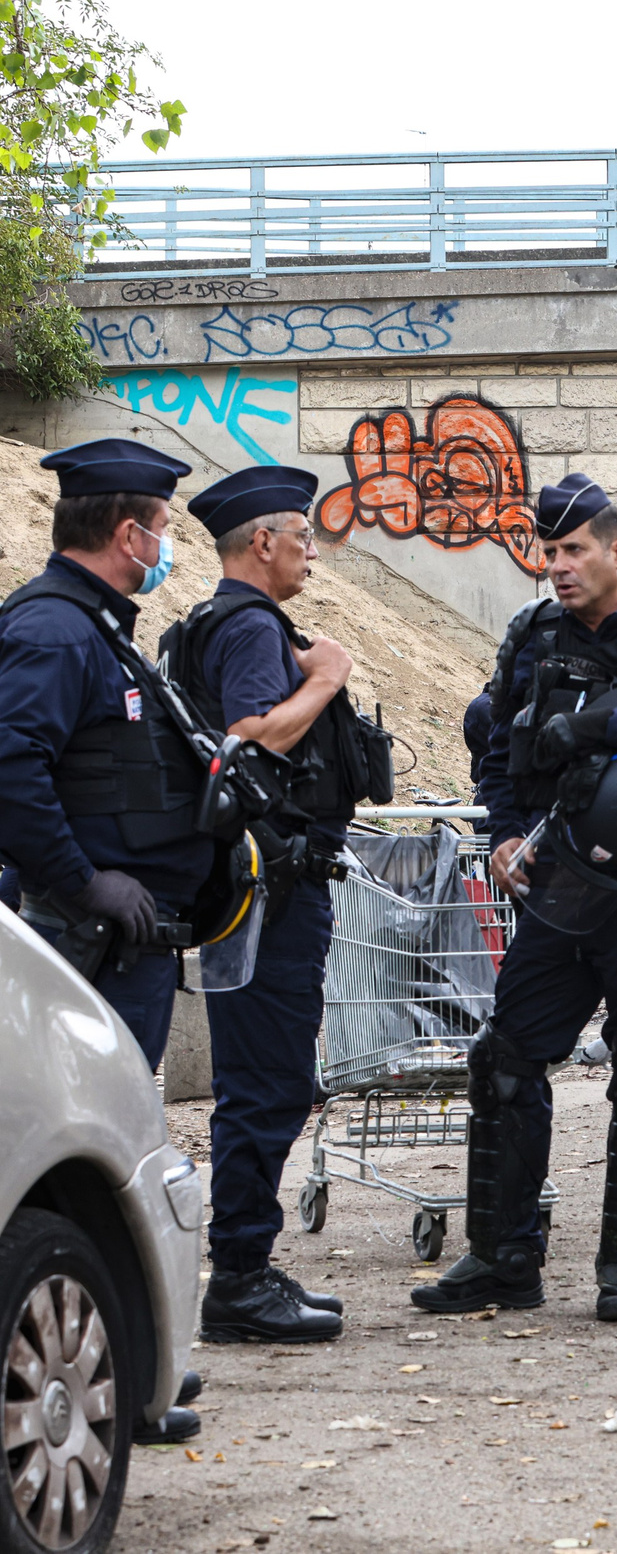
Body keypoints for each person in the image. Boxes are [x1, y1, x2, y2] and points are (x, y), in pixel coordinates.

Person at [415, 474, 617, 1323]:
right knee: (506, 1057)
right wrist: (504, 836)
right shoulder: (533, 633)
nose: (558, 566)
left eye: (574, 551)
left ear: (616, 551)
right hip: (555, 881)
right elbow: (499, 746)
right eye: (550, 551)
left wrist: (608, 724)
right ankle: (502, 1255)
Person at [164, 466, 363, 1345]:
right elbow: (246, 743)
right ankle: (239, 1275)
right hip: (270, 893)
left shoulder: (209, 625)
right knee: (269, 1083)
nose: (313, 549)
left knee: (265, 1081)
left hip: (253, 889)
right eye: (302, 534)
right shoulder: (249, 627)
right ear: (262, 544)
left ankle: (247, 1265)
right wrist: (327, 678)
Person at [0, 439, 214, 1067]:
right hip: (87, 941)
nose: (165, 548)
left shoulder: (93, 625)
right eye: (163, 530)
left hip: (116, 943)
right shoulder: (55, 631)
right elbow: (10, 769)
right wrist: (86, 884)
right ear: (129, 536)